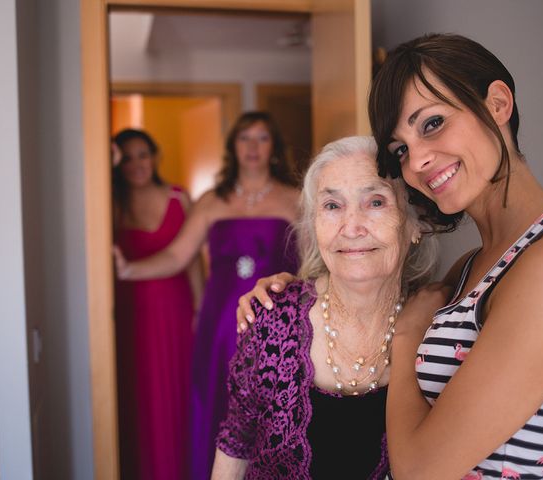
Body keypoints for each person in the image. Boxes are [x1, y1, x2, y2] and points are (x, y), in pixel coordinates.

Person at [238, 34, 543, 479]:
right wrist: (295, 294)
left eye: (432, 123)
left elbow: (420, 471)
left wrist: (406, 339)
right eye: (401, 149)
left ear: (498, 104)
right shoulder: (474, 265)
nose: (418, 159)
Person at [211, 136, 437, 479]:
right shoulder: (272, 317)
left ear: (414, 223)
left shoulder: (440, 330)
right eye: (332, 206)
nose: (351, 227)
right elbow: (236, 442)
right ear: (315, 224)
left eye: (375, 201)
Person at [113, 111, 301, 480]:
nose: (252, 146)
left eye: (262, 138)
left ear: (274, 147)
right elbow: (176, 256)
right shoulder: (210, 201)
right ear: (233, 146)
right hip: (219, 324)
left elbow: (311, 266)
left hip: (276, 320)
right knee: (218, 403)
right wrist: (128, 270)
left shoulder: (295, 198)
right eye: (244, 137)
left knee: (274, 407)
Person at [112, 128, 204, 480]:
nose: (137, 164)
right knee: (136, 395)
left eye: (143, 154)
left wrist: (199, 306)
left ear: (155, 156)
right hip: (129, 312)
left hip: (175, 309)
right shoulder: (111, 203)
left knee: (176, 394)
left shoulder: (180, 198)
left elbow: (194, 258)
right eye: (128, 157)